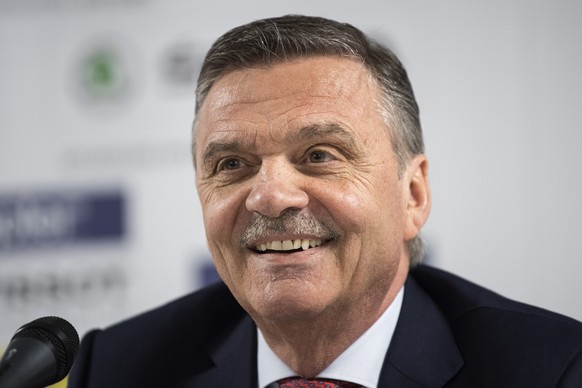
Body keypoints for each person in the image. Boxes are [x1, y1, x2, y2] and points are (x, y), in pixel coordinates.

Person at [68, 15, 582, 387]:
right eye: (231, 165)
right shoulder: (117, 368)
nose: (270, 196)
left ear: (413, 195)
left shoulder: (552, 368)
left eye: (318, 154)